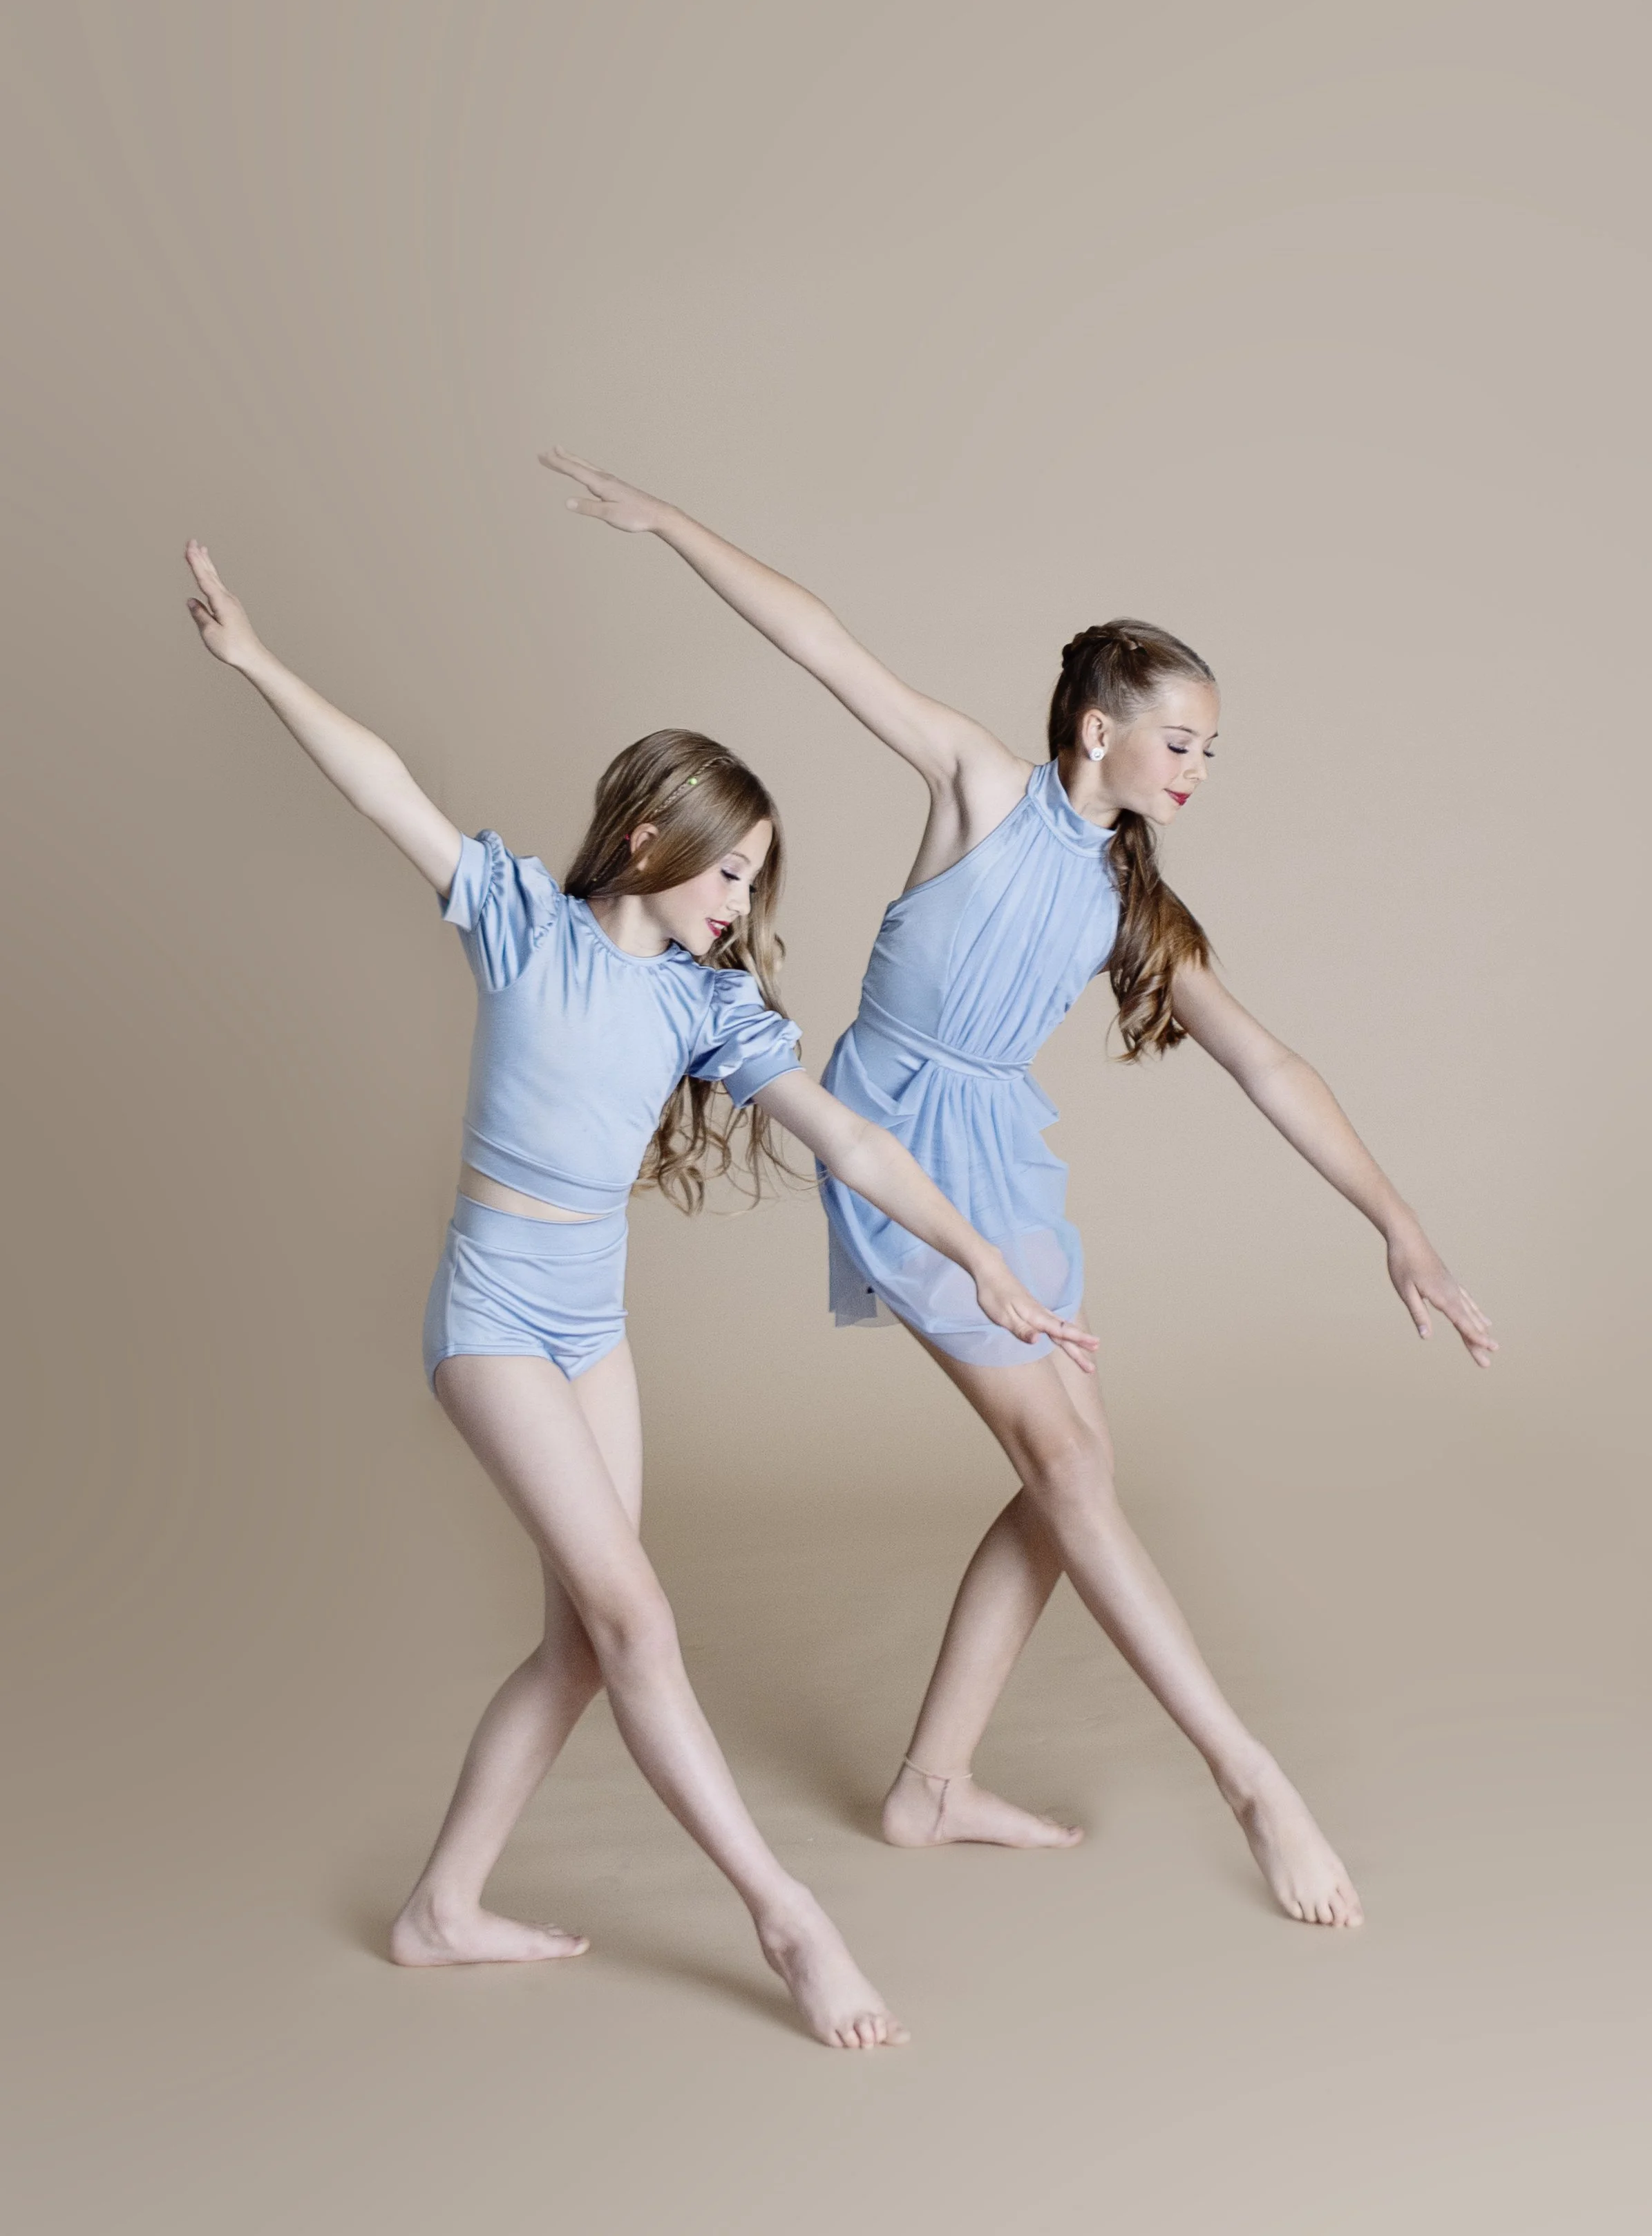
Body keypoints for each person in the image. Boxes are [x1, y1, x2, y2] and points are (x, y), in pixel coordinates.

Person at [544, 449, 1499, 1930]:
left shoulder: (1132, 899)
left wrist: (1402, 1228)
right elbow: (820, 642)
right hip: (897, 1140)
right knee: (1070, 1468)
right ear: (1098, 730)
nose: (1194, 771)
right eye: (1178, 741)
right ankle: (1251, 1779)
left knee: (1072, 1483)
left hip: (1008, 1163)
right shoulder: (981, 783)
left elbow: (1269, 1062)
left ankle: (931, 1783)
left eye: (1210, 752)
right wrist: (671, 526)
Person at [183, 539, 1094, 2046]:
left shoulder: (708, 1003)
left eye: (758, 874)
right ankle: (788, 1918)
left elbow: (852, 1136)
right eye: (729, 865)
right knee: (641, 1620)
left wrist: (985, 1257)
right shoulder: (521, 922)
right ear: (652, 840)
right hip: (488, 1322)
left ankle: (439, 1911)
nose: (744, 897)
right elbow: (383, 786)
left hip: (590, 1332)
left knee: (579, 1651)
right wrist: (258, 661)